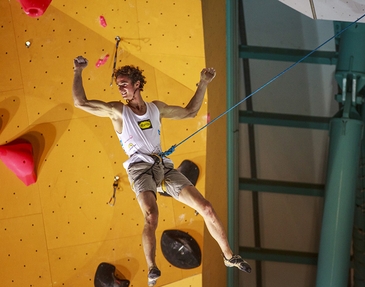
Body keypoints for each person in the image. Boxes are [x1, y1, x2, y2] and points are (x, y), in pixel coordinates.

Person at [72, 56, 251, 286]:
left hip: (162, 166)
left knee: (205, 207)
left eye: (124, 83)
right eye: (118, 85)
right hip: (139, 169)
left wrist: (203, 83)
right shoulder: (118, 111)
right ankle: (152, 267)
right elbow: (80, 102)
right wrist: (78, 70)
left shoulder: (156, 108)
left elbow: (190, 112)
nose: (121, 89)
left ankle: (229, 256)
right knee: (151, 215)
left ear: (137, 84)